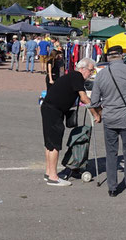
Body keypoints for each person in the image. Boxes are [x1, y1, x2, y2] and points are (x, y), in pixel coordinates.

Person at [90, 46, 126, 198]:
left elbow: (94, 102)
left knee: (111, 154)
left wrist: (101, 113)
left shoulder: (101, 75)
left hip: (109, 118)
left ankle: (112, 188)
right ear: (122, 56)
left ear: (108, 58)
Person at [40, 58, 98, 186]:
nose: (91, 74)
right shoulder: (77, 76)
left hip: (49, 108)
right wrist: (96, 114)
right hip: (54, 110)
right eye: (90, 71)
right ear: (82, 69)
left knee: (49, 143)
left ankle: (49, 173)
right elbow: (84, 98)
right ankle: (53, 177)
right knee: (54, 143)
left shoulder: (72, 76)